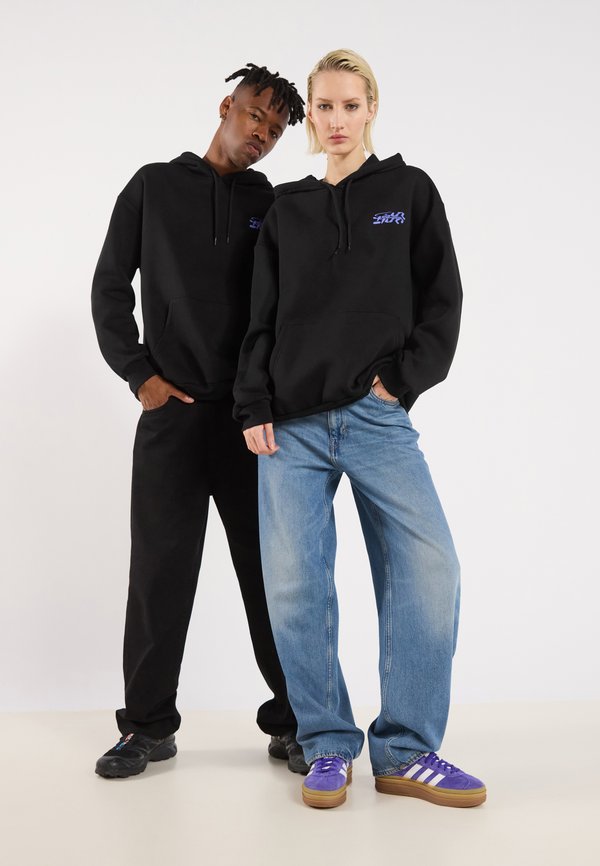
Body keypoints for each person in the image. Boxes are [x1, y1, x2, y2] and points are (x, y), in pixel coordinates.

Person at [232, 49, 486, 809]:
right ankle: (326, 745)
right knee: (296, 586)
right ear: (310, 114)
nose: (336, 120)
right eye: (324, 106)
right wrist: (253, 403)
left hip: (376, 418)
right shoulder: (288, 210)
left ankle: (405, 751)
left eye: (350, 104)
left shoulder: (408, 192)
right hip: (290, 427)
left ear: (371, 107)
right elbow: (261, 318)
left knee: (430, 569)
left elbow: (443, 299)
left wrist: (400, 382)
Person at [91, 63, 309, 779]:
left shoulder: (270, 204)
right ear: (227, 106)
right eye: (256, 116)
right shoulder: (153, 186)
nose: (263, 133)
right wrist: (140, 376)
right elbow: (109, 286)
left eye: (276, 129)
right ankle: (147, 727)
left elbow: (285, 311)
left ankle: (294, 721)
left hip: (251, 426)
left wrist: (270, 397)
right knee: (159, 574)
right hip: (173, 419)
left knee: (271, 576)